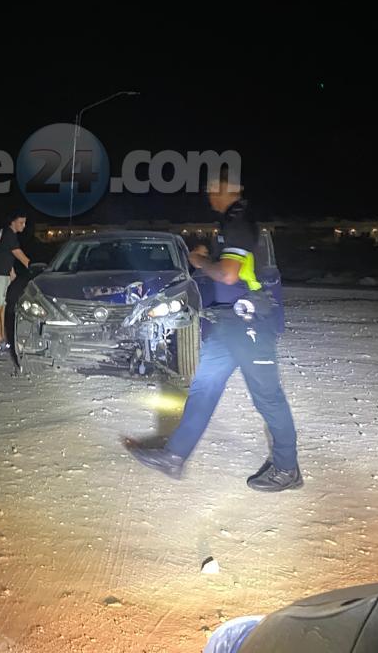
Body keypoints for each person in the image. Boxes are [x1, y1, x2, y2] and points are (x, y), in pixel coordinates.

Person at [126, 175, 302, 491]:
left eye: (213, 189)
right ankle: (174, 456)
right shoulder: (230, 223)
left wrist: (199, 259)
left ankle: (287, 468)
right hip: (227, 323)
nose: (208, 194)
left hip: (249, 323)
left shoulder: (238, 222)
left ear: (230, 190)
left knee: (267, 397)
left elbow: (228, 275)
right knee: (204, 388)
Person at [0, 212, 30, 352]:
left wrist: (11, 270)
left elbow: (2, 252)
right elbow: (19, 255)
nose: (24, 225)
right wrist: (34, 267)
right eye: (21, 222)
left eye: (25, 222)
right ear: (13, 222)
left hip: (2, 273)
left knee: (2, 307)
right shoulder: (9, 234)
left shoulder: (5, 232)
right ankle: (0, 343)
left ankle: (2, 339)